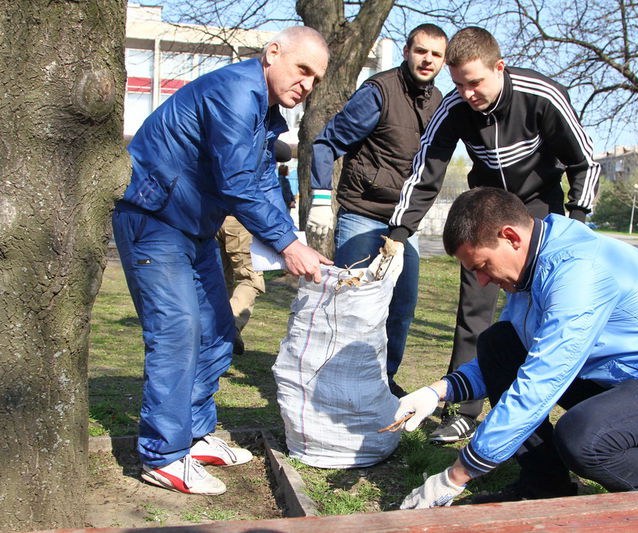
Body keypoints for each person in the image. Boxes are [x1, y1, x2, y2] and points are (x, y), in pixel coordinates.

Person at [394, 187, 638, 509]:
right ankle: (545, 486)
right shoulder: (532, 264)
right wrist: (435, 392)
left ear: (511, 237)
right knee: (498, 343)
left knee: (584, 437)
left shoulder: (579, 272)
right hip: (616, 380)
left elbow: (540, 381)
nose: (481, 281)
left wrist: (456, 475)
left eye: (481, 265)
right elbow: (518, 353)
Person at [112, 26, 330, 495]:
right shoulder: (234, 92)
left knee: (215, 328)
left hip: (194, 226)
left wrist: (291, 241)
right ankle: (164, 455)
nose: (307, 85)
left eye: (316, 79)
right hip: (154, 220)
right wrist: (288, 246)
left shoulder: (265, 113)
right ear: (273, 53)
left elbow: (263, 183)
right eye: (303, 70)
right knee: (178, 330)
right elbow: (235, 183)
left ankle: (192, 433)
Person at [386, 27, 600, 440]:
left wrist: (576, 220)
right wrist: (399, 229)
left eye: (475, 82)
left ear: (499, 67)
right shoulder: (454, 108)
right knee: (474, 310)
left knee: (546, 312)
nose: (467, 93)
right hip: (483, 214)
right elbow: (426, 171)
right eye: (459, 84)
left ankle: (559, 408)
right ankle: (464, 412)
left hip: (538, 214)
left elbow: (585, 161)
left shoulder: (541, 95)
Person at [307, 23, 448, 397]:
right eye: (421, 51)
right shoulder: (379, 92)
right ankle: (332, 385)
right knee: (349, 306)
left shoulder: (441, 104)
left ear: (443, 61)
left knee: (401, 307)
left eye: (435, 54)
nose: (427, 59)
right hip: (361, 214)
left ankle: (383, 384)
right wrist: (320, 199)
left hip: (403, 225)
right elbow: (326, 143)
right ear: (407, 52)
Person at [216, 140, 294, 356]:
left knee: (223, 278)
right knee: (250, 279)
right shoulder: (255, 138)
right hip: (242, 219)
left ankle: (221, 333)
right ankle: (227, 328)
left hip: (214, 216)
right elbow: (284, 151)